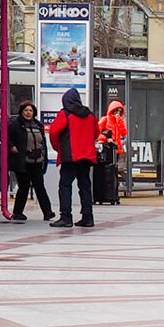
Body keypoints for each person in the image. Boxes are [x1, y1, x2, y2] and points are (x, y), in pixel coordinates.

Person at [48, 87, 97, 227]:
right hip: (86, 157)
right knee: (85, 186)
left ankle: (66, 217)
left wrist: (58, 148)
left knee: (65, 185)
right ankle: (88, 217)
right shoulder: (90, 115)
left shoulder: (65, 114)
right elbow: (96, 132)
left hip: (70, 156)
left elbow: (54, 132)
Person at [7, 100, 54, 221]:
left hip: (37, 160)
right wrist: (12, 147)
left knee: (40, 187)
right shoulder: (15, 124)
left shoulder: (38, 125)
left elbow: (42, 142)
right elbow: (6, 136)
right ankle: (17, 212)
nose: (28, 113)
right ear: (21, 112)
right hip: (23, 161)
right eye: (26, 110)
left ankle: (47, 212)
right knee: (24, 186)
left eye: (30, 110)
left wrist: (44, 157)